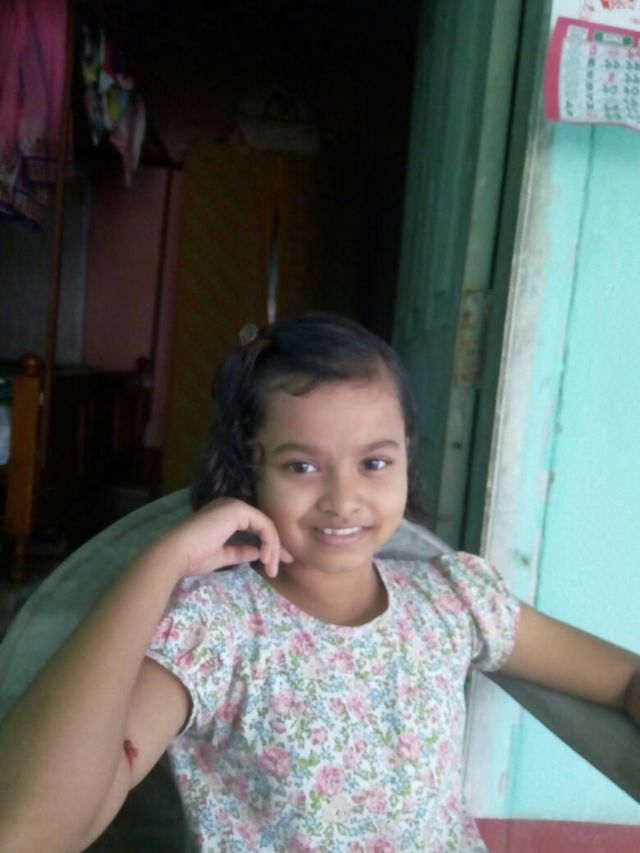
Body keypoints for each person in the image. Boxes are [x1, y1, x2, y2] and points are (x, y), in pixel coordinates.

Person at [0, 313, 638, 852]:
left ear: (407, 458)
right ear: (248, 471)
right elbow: (30, 832)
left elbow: (624, 679)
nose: (343, 499)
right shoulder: (215, 631)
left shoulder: (453, 601)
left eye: (374, 462)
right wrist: (159, 564)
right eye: (301, 466)